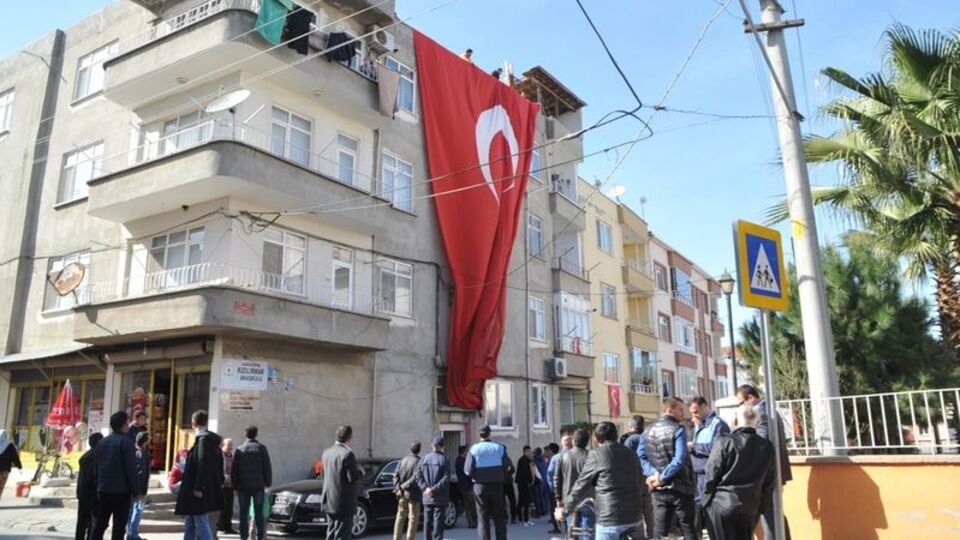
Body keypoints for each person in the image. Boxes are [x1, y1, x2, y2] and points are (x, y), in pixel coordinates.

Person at [557, 422, 642, 540]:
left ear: (596, 438)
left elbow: (581, 484)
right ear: (616, 436)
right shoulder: (631, 453)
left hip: (610, 517)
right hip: (635, 515)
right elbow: (640, 481)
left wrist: (564, 511)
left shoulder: (596, 454)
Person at [703, 404, 776, 540]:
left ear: (736, 421)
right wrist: (758, 508)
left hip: (723, 503)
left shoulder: (725, 442)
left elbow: (711, 475)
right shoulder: (767, 447)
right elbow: (769, 483)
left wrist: (706, 504)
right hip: (749, 508)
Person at [737, 385, 793, 540]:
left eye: (741, 403)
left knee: (770, 515)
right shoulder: (769, 411)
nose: (741, 407)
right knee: (775, 513)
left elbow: (761, 444)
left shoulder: (761, 413)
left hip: (768, 473)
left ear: (750, 398)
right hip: (774, 471)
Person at [639, 397, 697, 540]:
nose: (683, 413)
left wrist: (655, 474)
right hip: (680, 486)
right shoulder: (678, 429)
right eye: (680, 410)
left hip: (658, 490)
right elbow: (679, 459)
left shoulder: (647, 430)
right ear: (670, 410)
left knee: (659, 531)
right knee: (688, 528)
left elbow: (640, 458)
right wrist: (661, 477)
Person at [175, 410, 224, 540]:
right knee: (190, 523)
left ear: (193, 423)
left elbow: (203, 465)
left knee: (201, 521)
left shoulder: (203, 441)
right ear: (206, 422)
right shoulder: (208, 441)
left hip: (197, 491)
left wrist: (198, 487)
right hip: (196, 489)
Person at [92, 411, 139, 540]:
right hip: (121, 492)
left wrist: (97, 485)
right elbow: (131, 468)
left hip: (103, 489)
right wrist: (136, 490)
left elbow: (96, 467)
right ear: (124, 425)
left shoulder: (102, 442)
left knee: (100, 523)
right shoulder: (127, 442)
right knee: (118, 527)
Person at [464, 424, 512, 540]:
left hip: (480, 486)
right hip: (496, 486)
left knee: (482, 518)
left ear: (479, 435)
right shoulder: (499, 448)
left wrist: (477, 475)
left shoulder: (473, 449)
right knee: (499, 517)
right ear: (490, 434)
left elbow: (467, 470)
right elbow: (509, 467)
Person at [689, 396, 731, 529]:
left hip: (711, 475)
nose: (694, 415)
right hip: (697, 474)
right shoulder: (698, 425)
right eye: (691, 413)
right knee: (698, 510)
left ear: (704, 407)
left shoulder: (718, 424)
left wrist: (694, 446)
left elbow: (718, 449)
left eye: (695, 412)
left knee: (711, 510)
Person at [321, 425, 363, 540]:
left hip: (329, 501)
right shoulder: (348, 454)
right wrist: (360, 471)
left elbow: (323, 476)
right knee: (342, 535)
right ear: (350, 439)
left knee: (331, 533)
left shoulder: (326, 453)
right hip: (344, 503)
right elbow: (352, 478)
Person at [232, 426, 272, 540]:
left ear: (245, 434)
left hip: (243, 487)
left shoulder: (240, 449)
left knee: (243, 514)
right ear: (256, 434)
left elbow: (235, 469)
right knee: (259, 514)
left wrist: (234, 486)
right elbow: (267, 467)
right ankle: (260, 537)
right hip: (258, 486)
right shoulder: (262, 448)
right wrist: (268, 483)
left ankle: (243, 537)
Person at [553, 430, 591, 538]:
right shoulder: (591, 456)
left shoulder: (563, 456)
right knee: (587, 531)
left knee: (571, 530)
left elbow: (557, 478)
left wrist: (558, 498)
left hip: (568, 499)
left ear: (573, 441)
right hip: (588, 498)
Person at [621, 416, 654, 539]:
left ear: (631, 426)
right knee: (649, 513)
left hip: (634, 482)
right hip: (649, 479)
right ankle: (652, 536)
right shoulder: (649, 437)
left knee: (636, 514)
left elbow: (625, 461)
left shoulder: (630, 440)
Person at [416, 436, 453, 540]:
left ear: (432, 445)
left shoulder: (424, 458)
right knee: (438, 522)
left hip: (427, 496)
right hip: (440, 497)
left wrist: (426, 489)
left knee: (427, 521)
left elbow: (418, 476)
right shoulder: (445, 459)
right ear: (443, 447)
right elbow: (446, 479)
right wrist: (434, 489)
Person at [76, 432, 104, 540]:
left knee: (82, 522)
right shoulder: (96, 457)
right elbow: (94, 477)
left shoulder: (86, 455)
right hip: (92, 494)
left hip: (83, 493)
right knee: (93, 521)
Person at [392, 441, 422, 540]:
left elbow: (395, 475)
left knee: (400, 517)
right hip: (413, 494)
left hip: (401, 494)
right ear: (419, 450)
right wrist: (401, 487)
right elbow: (414, 478)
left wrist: (398, 488)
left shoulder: (403, 460)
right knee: (413, 519)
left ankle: (396, 538)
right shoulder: (418, 461)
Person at [126, 431, 151, 540]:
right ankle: (133, 534)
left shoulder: (134, 451)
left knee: (131, 511)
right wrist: (141, 490)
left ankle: (130, 533)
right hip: (138, 488)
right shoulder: (141, 453)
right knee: (137, 511)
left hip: (133, 487)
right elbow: (141, 472)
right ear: (144, 441)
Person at [544, 441, 565, 534]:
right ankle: (566, 526)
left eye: (548, 450)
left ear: (551, 451)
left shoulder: (553, 459)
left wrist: (551, 487)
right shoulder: (563, 456)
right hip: (564, 487)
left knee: (554, 508)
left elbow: (549, 474)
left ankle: (557, 527)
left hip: (554, 488)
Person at [217, 438, 236, 535]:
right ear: (223, 446)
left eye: (231, 445)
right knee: (222, 506)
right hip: (221, 485)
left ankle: (228, 527)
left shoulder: (233, 457)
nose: (230, 447)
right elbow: (218, 470)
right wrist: (224, 478)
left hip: (230, 485)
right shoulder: (220, 456)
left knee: (229, 507)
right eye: (228, 445)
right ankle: (220, 527)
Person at [455, 445, 478, 528]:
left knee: (467, 505)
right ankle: (476, 521)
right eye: (466, 451)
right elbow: (467, 473)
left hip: (462, 486)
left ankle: (471, 523)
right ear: (463, 452)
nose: (467, 452)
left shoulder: (458, 460)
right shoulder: (462, 461)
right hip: (466, 486)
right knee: (473, 503)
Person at [514, 446, 535, 526]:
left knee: (523, 501)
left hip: (525, 483)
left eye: (530, 451)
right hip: (523, 484)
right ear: (524, 452)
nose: (529, 453)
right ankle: (524, 520)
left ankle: (523, 518)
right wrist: (528, 482)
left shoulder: (528, 460)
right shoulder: (523, 460)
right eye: (527, 451)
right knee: (524, 501)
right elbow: (524, 473)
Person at [0, 429, 23, 502]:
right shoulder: (9, 444)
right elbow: (15, 457)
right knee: (1, 485)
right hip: (5, 469)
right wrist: (19, 466)